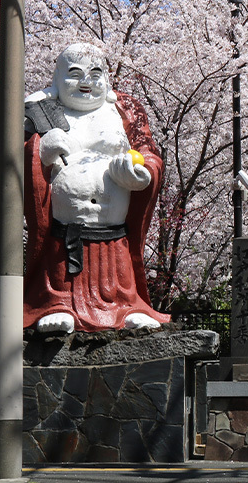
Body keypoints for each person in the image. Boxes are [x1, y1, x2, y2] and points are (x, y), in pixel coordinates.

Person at [23, 43, 170, 333]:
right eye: (75, 73)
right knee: (62, 269)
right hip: (65, 230)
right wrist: (40, 149)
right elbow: (13, 161)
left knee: (117, 268)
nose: (86, 82)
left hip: (113, 227)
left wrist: (141, 173)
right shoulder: (40, 112)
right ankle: (57, 303)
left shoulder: (123, 110)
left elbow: (149, 152)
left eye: (95, 73)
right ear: (56, 78)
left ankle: (126, 306)